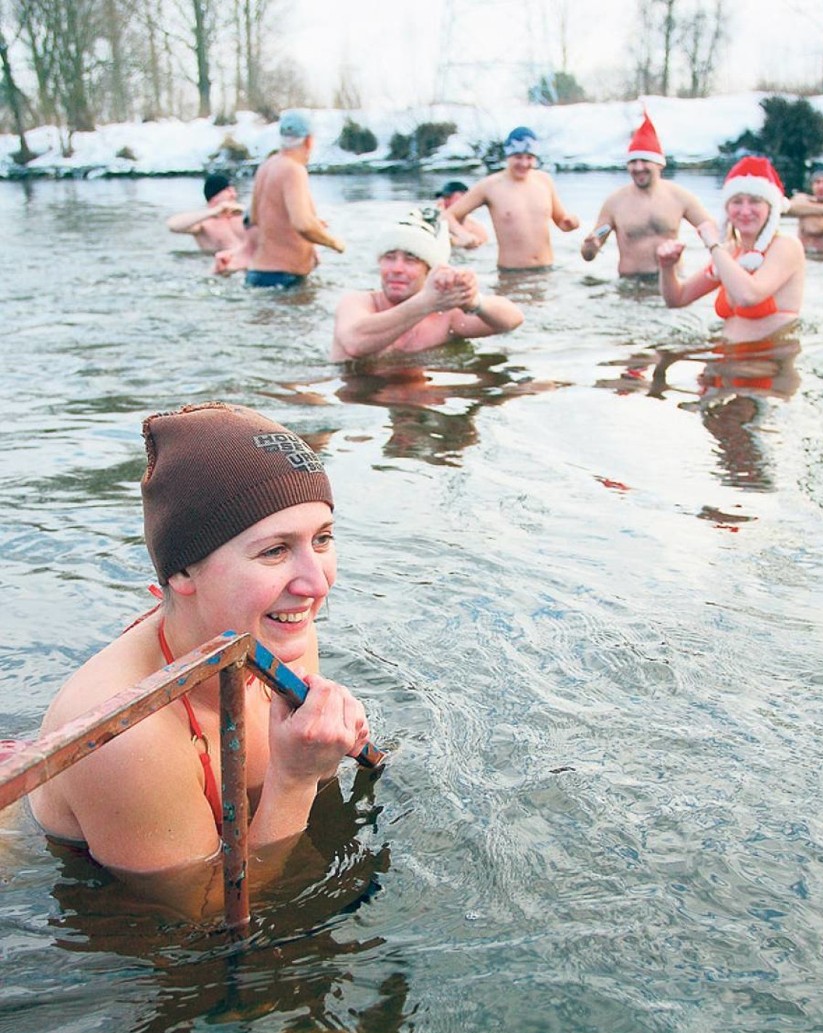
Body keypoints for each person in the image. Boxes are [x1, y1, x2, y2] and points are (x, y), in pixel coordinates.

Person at [29, 402, 371, 918]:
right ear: (182, 572)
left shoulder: (278, 628)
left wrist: (317, 757)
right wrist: (297, 781)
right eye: (275, 551)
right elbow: (205, 918)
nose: (317, 583)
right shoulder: (125, 734)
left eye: (322, 539)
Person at [330, 208, 523, 361]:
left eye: (411, 260)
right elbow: (355, 344)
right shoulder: (358, 302)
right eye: (389, 258)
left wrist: (473, 301)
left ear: (429, 270)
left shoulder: (444, 319)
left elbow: (512, 320)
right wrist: (426, 302)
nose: (397, 268)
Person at [657, 156, 805, 343]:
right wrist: (667, 267)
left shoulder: (786, 246)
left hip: (767, 362)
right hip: (725, 359)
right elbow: (677, 299)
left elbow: (749, 296)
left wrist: (713, 245)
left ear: (771, 208)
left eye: (754, 201)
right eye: (736, 202)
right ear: (727, 209)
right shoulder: (730, 251)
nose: (744, 211)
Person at [580, 111, 710, 277]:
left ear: (659, 164)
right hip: (631, 286)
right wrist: (590, 247)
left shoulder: (680, 197)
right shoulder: (615, 203)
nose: (638, 167)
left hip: (672, 282)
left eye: (644, 161)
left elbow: (713, 232)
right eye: (633, 162)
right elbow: (588, 255)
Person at [441, 127, 579, 270]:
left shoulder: (544, 181)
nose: (524, 163)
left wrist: (571, 223)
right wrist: (463, 235)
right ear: (508, 156)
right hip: (510, 274)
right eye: (518, 157)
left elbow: (562, 221)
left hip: (546, 270)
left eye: (529, 157)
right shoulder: (490, 186)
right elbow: (447, 216)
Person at [246, 110, 345, 288]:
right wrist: (334, 243)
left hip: (258, 273)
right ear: (309, 141)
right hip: (284, 278)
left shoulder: (267, 165)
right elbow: (303, 224)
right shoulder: (294, 169)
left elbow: (255, 218)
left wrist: (313, 225)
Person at [166, 173, 247, 255]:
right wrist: (214, 212)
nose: (234, 195)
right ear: (214, 197)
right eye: (228, 191)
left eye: (233, 191)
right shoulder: (203, 224)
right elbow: (172, 225)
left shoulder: (242, 217)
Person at [435, 180, 489, 247]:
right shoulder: (434, 220)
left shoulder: (476, 229)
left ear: (465, 199)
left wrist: (454, 241)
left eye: (449, 197)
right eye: (444, 197)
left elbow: (475, 244)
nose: (445, 201)